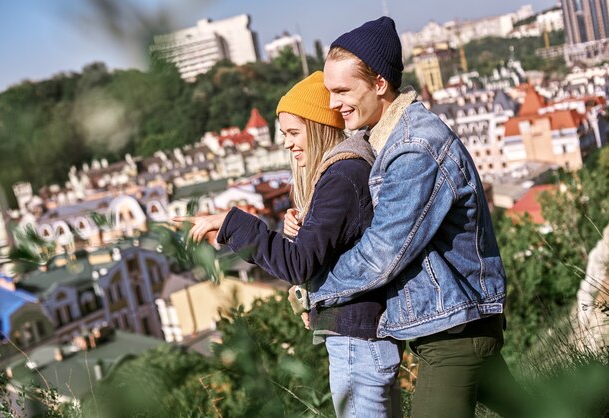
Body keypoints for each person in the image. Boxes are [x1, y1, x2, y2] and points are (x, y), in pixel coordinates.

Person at [286, 16, 532, 418]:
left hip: (454, 335)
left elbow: (383, 254)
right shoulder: (386, 140)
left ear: (380, 84)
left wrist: (316, 287)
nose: (333, 104)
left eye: (343, 90)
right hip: (454, 324)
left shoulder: (415, 148)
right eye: (330, 92)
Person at [175, 71, 403, 417]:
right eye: (284, 134)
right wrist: (301, 229)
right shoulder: (345, 171)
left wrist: (230, 223)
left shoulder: (341, 176)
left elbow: (297, 264)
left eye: (293, 133)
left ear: (317, 128)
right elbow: (329, 250)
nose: (287, 143)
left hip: (358, 339)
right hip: (362, 335)